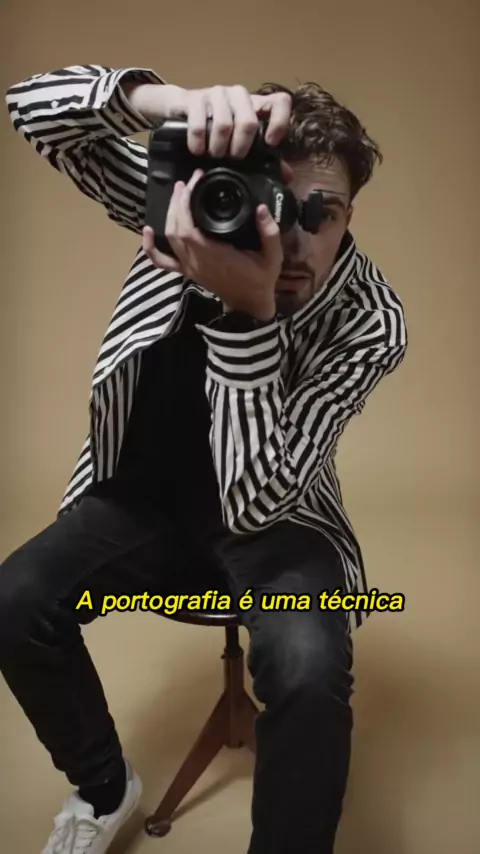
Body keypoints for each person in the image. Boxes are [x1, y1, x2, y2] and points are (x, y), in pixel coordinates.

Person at [1, 63, 407, 854]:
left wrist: (250, 316)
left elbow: (258, 504)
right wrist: (173, 105)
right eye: (271, 203)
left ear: (350, 214)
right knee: (15, 601)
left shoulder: (370, 319)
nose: (290, 239)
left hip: (282, 517)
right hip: (143, 500)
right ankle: (104, 788)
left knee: (308, 664)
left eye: (318, 214)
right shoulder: (183, 209)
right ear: (235, 187)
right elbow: (30, 105)